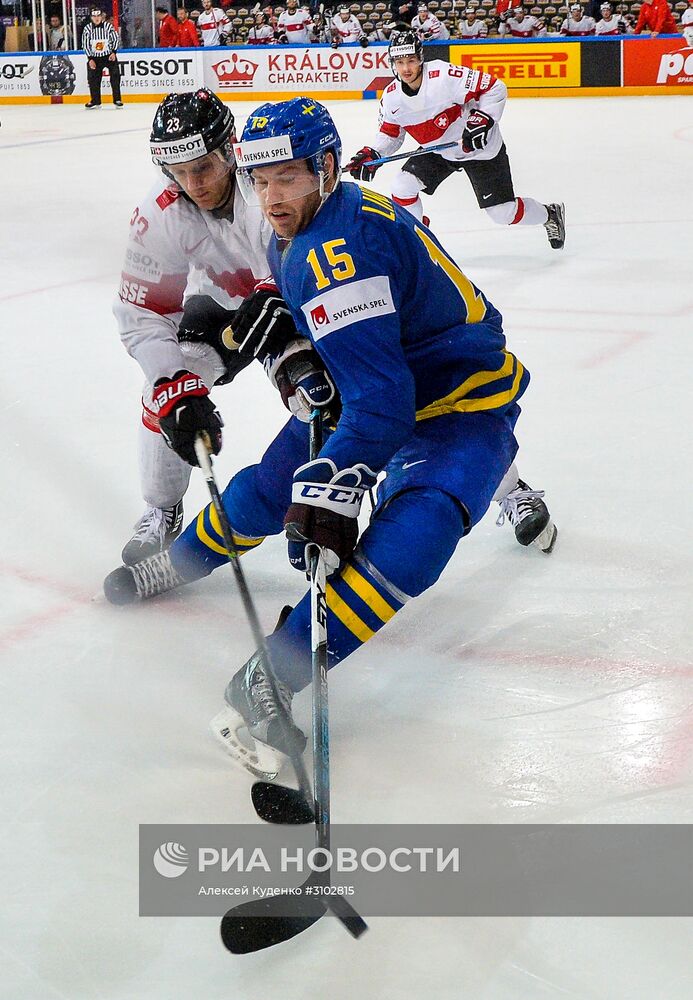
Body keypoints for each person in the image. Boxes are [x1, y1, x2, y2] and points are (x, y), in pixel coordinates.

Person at [104, 97, 557, 777]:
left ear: (325, 167)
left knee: (418, 534)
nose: (271, 195)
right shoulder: (307, 224)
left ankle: (271, 673)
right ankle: (180, 561)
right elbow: (363, 372)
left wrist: (330, 489)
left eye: (286, 177)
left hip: (456, 402)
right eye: (260, 180)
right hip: (367, 382)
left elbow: (383, 401)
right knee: (266, 490)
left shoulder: (332, 245)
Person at [110, 89, 277, 565]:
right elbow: (143, 311)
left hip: (294, 301)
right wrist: (173, 385)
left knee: (344, 390)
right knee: (161, 392)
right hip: (220, 311)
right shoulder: (160, 212)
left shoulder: (268, 179)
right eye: (178, 172)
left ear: (229, 148)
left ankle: (502, 485)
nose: (192, 183)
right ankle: (162, 509)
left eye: (201, 167)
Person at [344, 31, 565, 248]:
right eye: (400, 62)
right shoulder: (391, 98)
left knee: (502, 213)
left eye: (411, 60)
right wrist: (373, 153)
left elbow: (494, 87)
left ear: (420, 59)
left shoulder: (444, 76)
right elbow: (390, 134)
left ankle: (550, 214)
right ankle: (419, 241)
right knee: (402, 187)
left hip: (478, 148)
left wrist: (482, 120)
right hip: (439, 149)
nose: (406, 68)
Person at [82, 7, 123, 109]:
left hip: (109, 56)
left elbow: (115, 39)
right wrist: (90, 58)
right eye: (94, 16)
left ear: (102, 17)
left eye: (98, 16)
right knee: (93, 80)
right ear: (91, 17)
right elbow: (85, 44)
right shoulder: (87, 29)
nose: (96, 18)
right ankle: (95, 101)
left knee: (115, 76)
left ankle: (117, 99)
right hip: (94, 58)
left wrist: (114, 52)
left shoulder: (108, 26)